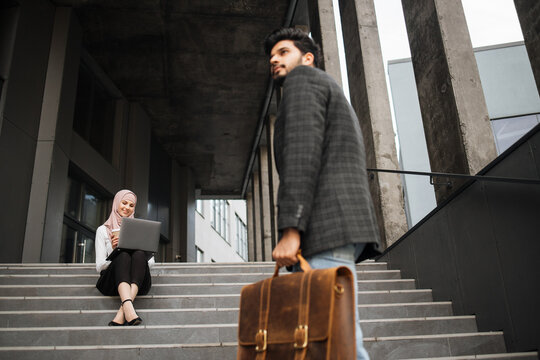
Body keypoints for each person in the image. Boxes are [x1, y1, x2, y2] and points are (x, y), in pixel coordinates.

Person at [264, 28, 383, 359]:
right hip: (338, 226)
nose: (274, 59)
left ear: (307, 58)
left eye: (283, 52)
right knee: (336, 336)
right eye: (271, 56)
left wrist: (291, 231)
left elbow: (302, 157)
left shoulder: (303, 81)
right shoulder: (326, 87)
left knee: (335, 340)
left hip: (324, 226)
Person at [95, 189, 154, 326]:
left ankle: (124, 311)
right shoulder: (103, 230)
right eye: (124, 203)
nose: (127, 208)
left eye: (131, 205)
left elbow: (150, 264)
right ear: (117, 203)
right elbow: (99, 266)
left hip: (138, 283)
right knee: (122, 255)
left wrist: (135, 247)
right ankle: (129, 309)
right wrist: (116, 251)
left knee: (139, 254)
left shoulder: (140, 230)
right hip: (112, 282)